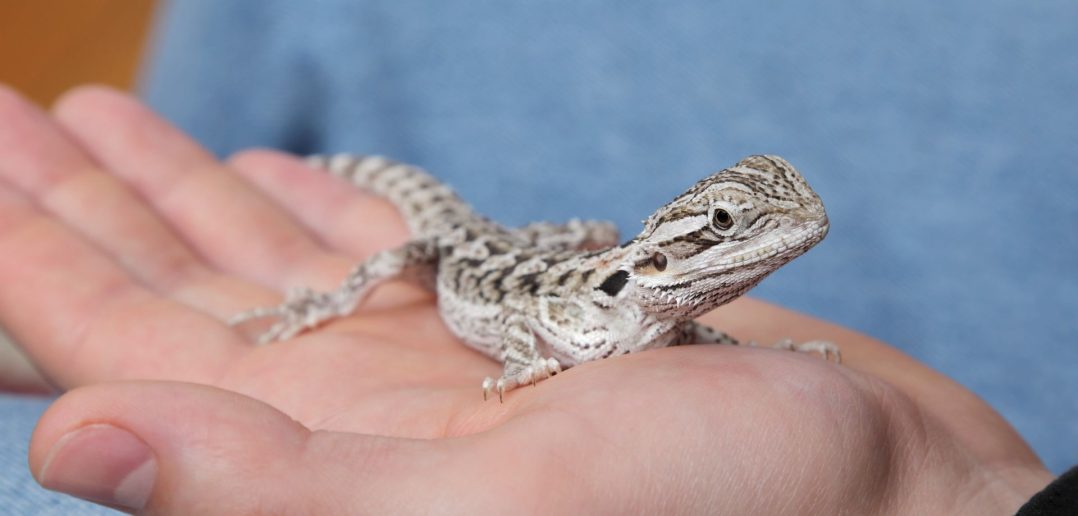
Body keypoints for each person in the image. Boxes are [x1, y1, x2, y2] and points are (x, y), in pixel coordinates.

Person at [0, 86, 1059, 513]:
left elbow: (676, 327)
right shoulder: (595, 313)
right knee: (409, 241)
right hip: (481, 260)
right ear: (681, 251)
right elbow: (562, 330)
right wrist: (324, 303)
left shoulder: (654, 309)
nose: (787, 236)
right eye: (738, 231)